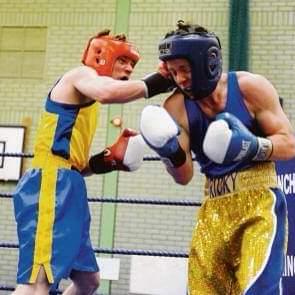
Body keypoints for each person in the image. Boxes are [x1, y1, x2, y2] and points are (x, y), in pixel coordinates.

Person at [140, 20, 295, 294]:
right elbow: (184, 175)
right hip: (214, 208)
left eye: (184, 69)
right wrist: (169, 152)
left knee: (258, 288)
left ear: (206, 62)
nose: (180, 79)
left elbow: (289, 144)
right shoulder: (175, 106)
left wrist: (251, 146)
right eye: (173, 72)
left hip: (259, 201)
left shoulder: (250, 87)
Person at [12, 29, 171, 295]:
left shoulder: (89, 102)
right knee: (37, 282)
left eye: (132, 64)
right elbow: (109, 93)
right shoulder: (81, 75)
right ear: (101, 55)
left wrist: (105, 161)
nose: (129, 68)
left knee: (88, 280)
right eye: (123, 60)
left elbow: (77, 164)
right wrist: (160, 81)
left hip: (69, 184)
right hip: (49, 184)